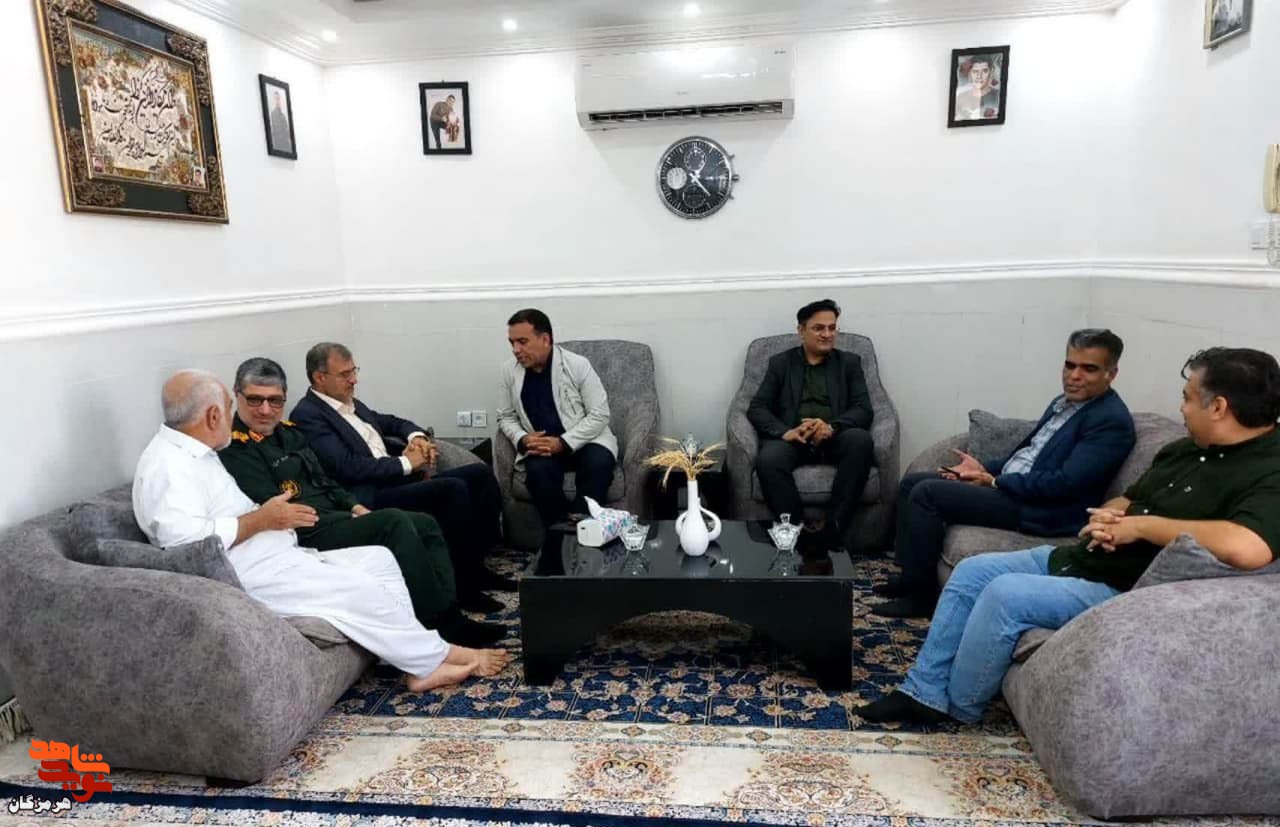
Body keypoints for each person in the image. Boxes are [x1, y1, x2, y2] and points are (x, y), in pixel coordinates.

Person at [858, 347, 1280, 725]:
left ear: (1218, 406)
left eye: (1187, 397)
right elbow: (1128, 499)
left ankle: (959, 707)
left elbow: (1248, 546)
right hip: (1086, 557)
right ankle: (924, 692)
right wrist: (1109, 518)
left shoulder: (1269, 468)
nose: (1181, 408)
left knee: (1004, 594)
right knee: (972, 572)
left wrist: (1142, 527)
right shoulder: (1186, 448)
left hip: (1126, 587)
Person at [132, 370, 510, 691]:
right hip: (250, 573)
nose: (236, 416)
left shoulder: (199, 453)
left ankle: (414, 658)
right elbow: (186, 546)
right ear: (213, 415)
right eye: (233, 407)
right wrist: (262, 520)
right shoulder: (168, 468)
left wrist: (273, 520)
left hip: (276, 551)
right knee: (361, 587)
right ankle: (436, 658)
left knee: (378, 561)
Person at [219, 358, 504, 646]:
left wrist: (353, 506)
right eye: (255, 400)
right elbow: (276, 507)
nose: (265, 410)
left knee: (425, 523)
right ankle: (440, 625)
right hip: (305, 527)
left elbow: (324, 480)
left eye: (274, 401)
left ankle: (449, 609)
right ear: (237, 395)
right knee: (394, 521)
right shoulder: (236, 447)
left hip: (336, 511)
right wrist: (347, 516)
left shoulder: (289, 433)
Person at [874, 329, 1136, 618]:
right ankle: (910, 578)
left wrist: (996, 481)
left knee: (928, 495)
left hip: (1043, 509)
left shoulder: (1110, 421)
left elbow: (1064, 484)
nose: (1074, 376)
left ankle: (921, 598)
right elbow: (1027, 455)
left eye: (1088, 369)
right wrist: (984, 468)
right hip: (1016, 488)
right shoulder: (1063, 403)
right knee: (912, 483)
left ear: (1111, 374)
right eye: (1069, 365)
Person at [289, 343, 514, 613]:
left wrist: (417, 438)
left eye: (354, 371)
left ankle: (477, 566)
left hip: (395, 481)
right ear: (319, 377)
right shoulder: (308, 415)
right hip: (369, 495)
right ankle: (463, 586)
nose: (354, 380)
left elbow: (392, 422)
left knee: (480, 474)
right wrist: (407, 463)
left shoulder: (349, 402)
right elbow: (346, 467)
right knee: (452, 490)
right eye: (345, 374)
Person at [747, 299, 876, 552]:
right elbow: (757, 407)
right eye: (819, 328)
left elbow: (864, 409)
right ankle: (796, 534)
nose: (827, 334)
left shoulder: (849, 363)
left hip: (835, 437)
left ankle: (833, 530)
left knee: (861, 441)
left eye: (832, 328)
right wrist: (785, 432)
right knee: (769, 459)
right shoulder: (781, 363)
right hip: (796, 438)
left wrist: (831, 427)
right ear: (801, 330)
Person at [497, 308, 617, 530]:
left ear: (545, 339)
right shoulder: (508, 371)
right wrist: (523, 439)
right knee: (538, 473)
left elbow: (600, 414)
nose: (515, 350)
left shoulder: (577, 365)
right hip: (542, 447)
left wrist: (562, 442)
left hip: (586, 441)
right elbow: (505, 417)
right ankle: (560, 535)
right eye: (512, 343)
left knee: (598, 464)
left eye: (522, 342)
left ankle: (584, 530)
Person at [954, 55, 1001, 121]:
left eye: (985, 71)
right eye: (975, 71)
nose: (979, 76)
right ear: (969, 73)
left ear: (991, 72)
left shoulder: (998, 96)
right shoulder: (960, 97)